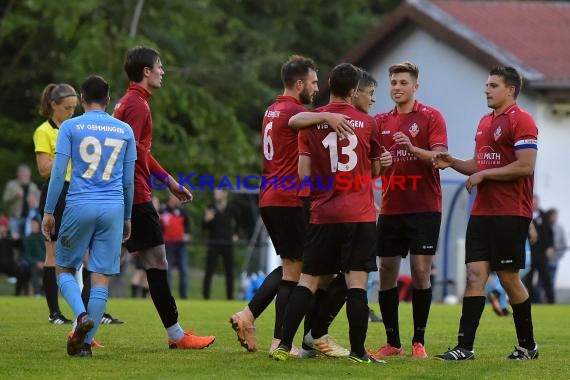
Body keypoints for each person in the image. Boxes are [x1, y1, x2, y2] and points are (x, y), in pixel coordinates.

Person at [229, 55, 353, 355]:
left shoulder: (271, 110)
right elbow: (299, 122)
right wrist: (327, 116)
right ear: (299, 84)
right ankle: (278, 342)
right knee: (295, 271)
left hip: (269, 198)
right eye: (312, 82)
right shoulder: (294, 111)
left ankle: (249, 315)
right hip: (288, 199)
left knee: (290, 266)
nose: (315, 88)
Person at [271, 63, 384, 364]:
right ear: (354, 90)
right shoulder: (369, 124)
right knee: (356, 282)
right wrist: (379, 164)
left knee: (307, 280)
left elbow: (303, 174)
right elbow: (374, 171)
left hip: (323, 213)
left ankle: (283, 345)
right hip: (359, 215)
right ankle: (359, 352)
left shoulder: (309, 123)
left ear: (330, 85)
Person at [433, 66, 539, 361]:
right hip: (482, 212)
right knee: (474, 275)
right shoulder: (484, 122)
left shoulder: (523, 120)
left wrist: (485, 176)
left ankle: (528, 346)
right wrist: (452, 161)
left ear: (510, 90)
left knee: (508, 279)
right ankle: (465, 348)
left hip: (510, 212)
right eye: (487, 85)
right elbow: (480, 164)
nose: (487, 90)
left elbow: (525, 166)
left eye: (493, 85)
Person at [113, 46, 215, 349]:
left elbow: (140, 152)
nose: (163, 71)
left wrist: (169, 182)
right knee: (155, 260)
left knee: (106, 260)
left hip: (132, 191)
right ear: (146, 71)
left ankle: (84, 329)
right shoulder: (137, 106)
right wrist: (131, 194)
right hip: (134, 194)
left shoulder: (132, 102)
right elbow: (126, 155)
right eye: (159, 66)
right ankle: (176, 335)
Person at [41, 75, 136, 357]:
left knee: (63, 269)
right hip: (113, 207)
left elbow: (58, 173)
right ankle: (84, 346)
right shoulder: (124, 130)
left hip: (79, 204)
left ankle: (80, 317)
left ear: (82, 98)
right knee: (101, 277)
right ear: (108, 100)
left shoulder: (70, 126)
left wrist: (48, 211)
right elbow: (128, 180)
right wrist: (128, 216)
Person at [368, 61, 448, 360]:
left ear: (416, 86)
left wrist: (414, 149)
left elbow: (440, 158)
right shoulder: (380, 122)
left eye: (403, 82)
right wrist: (381, 164)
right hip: (391, 208)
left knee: (419, 271)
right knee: (386, 270)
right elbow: (372, 167)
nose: (397, 87)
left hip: (425, 208)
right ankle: (393, 341)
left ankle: (419, 341)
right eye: (393, 82)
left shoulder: (430, 117)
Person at [34, 82, 78, 324]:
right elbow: (43, 169)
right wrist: (66, 152)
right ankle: (55, 313)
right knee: (52, 254)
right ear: (53, 106)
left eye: (74, 108)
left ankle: (91, 312)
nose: (71, 112)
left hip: (78, 193)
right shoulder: (44, 131)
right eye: (67, 108)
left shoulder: (73, 128)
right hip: (55, 192)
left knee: (88, 254)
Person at [202, 189, 239, 300]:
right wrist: (207, 220)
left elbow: (240, 222)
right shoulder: (211, 207)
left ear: (225, 193)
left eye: (218, 192)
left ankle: (230, 297)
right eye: (215, 192)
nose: (215, 194)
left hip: (227, 243)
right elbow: (203, 227)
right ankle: (206, 296)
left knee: (229, 271)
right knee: (209, 270)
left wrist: (236, 234)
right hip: (213, 243)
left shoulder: (232, 208)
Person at [523, 195, 555, 303]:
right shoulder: (525, 215)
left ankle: (551, 300)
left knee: (546, 278)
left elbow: (550, 233)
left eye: (536, 202)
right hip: (529, 253)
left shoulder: (544, 215)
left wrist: (550, 246)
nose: (534, 205)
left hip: (541, 253)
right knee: (528, 279)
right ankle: (529, 301)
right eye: (532, 202)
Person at [160, 192, 191, 299]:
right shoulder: (162, 210)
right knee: (167, 272)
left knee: (184, 271)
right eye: (175, 196)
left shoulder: (182, 211)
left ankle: (184, 296)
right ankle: (167, 296)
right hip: (168, 246)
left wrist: (187, 235)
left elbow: (188, 228)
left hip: (181, 245)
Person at [2, 164, 40, 238]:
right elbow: (5, 200)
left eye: (25, 174)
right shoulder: (11, 185)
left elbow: (37, 201)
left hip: (29, 218)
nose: (24, 175)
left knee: (28, 239)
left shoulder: (33, 186)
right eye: (22, 173)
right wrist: (15, 195)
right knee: (15, 239)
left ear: (29, 174)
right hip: (15, 218)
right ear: (18, 174)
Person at [547, 208, 566, 284]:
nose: (555, 218)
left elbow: (564, 245)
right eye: (553, 216)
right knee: (542, 282)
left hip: (555, 260)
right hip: (544, 260)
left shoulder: (560, 228)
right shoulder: (544, 226)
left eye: (556, 216)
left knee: (551, 281)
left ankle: (548, 295)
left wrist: (558, 256)